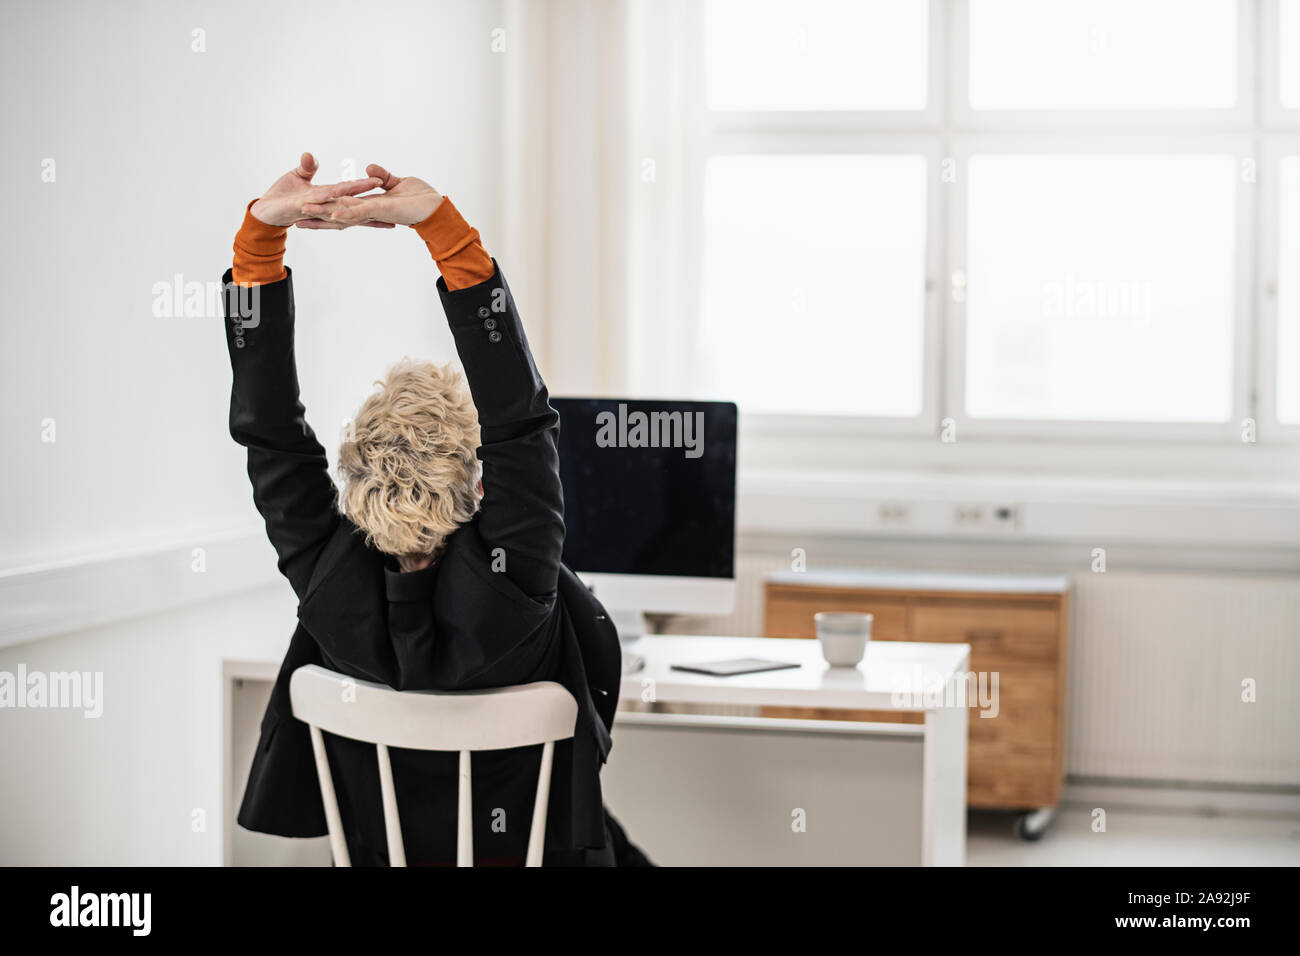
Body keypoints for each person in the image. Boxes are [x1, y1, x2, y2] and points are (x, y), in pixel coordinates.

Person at [223, 152, 650, 866]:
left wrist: (257, 245)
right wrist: (441, 230)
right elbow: (520, 419)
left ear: (352, 481)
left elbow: (267, 431)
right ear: (480, 485)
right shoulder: (518, 581)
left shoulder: (326, 580)